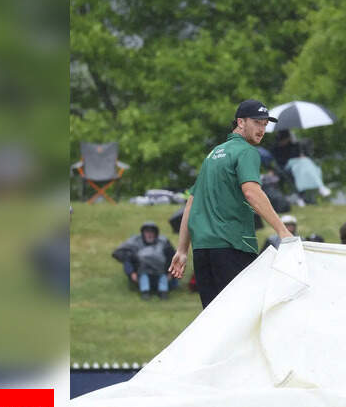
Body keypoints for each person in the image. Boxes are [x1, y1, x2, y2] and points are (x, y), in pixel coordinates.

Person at [169, 99, 295, 308]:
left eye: (265, 125)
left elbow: (191, 203)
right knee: (242, 318)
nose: (262, 129)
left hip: (203, 251)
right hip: (232, 246)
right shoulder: (246, 151)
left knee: (213, 321)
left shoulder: (212, 155)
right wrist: (282, 231)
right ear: (240, 122)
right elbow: (251, 192)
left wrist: (182, 250)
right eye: (257, 123)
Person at [112, 221, 176, 301]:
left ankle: (163, 293)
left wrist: (171, 273)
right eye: (147, 232)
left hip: (162, 273)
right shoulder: (135, 244)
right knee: (144, 276)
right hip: (142, 274)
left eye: (152, 232)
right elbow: (126, 259)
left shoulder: (164, 244)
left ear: (156, 233)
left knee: (162, 277)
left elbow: (174, 258)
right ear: (143, 233)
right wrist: (131, 273)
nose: (149, 234)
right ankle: (145, 293)